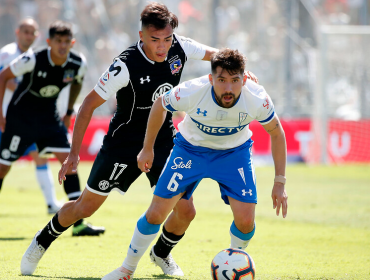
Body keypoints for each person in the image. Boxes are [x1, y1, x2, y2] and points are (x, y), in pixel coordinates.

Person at [20, 3, 257, 277]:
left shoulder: (180, 47)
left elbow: (218, 56)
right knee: (86, 207)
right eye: (155, 39)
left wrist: (240, 71)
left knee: (185, 211)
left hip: (163, 141)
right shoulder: (124, 65)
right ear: (141, 35)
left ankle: (161, 254)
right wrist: (73, 154)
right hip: (123, 144)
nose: (163, 46)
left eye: (167, 39)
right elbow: (87, 106)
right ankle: (41, 241)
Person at [102, 48, 288, 279]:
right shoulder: (193, 91)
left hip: (234, 154)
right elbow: (160, 104)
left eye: (235, 80)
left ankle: (232, 264)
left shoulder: (257, 97)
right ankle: (127, 269)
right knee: (157, 214)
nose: (228, 88)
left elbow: (277, 133)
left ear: (244, 79)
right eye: (221, 80)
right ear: (211, 79)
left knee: (246, 221)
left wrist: (280, 181)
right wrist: (147, 147)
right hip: (190, 151)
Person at [0, 20, 105, 240]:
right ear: (49, 42)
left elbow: (77, 82)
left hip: (49, 118)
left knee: (70, 162)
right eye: (58, 41)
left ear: (72, 43)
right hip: (21, 118)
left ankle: (78, 224)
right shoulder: (33, 59)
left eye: (67, 42)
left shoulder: (77, 62)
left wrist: (68, 111)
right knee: (2, 168)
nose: (62, 46)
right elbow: (3, 77)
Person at [0, 17, 61, 214]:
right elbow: (4, 80)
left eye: (32, 32)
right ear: (18, 33)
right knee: (4, 165)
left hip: (24, 119)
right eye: (25, 31)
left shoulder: (35, 57)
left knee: (40, 156)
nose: (28, 35)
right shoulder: (7, 54)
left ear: (37, 35)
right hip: (6, 117)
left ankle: (51, 203)